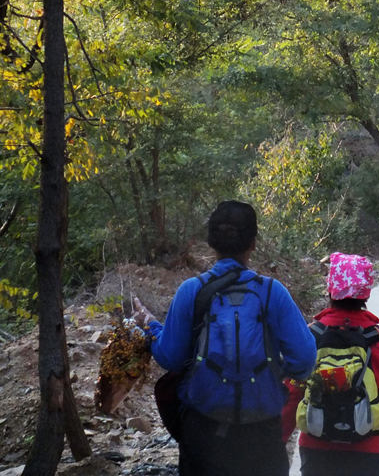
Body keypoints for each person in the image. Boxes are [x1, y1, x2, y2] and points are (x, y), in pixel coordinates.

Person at [132, 200, 316, 476]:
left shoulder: (191, 291)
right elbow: (304, 361)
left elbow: (170, 357)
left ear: (211, 243)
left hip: (204, 436)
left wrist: (151, 327)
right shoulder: (272, 293)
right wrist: (272, 369)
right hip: (261, 436)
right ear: (253, 243)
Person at [281, 253, 379, 476]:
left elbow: (292, 393)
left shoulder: (309, 337)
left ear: (331, 287)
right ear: (366, 291)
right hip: (368, 450)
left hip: (316, 449)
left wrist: (277, 440)